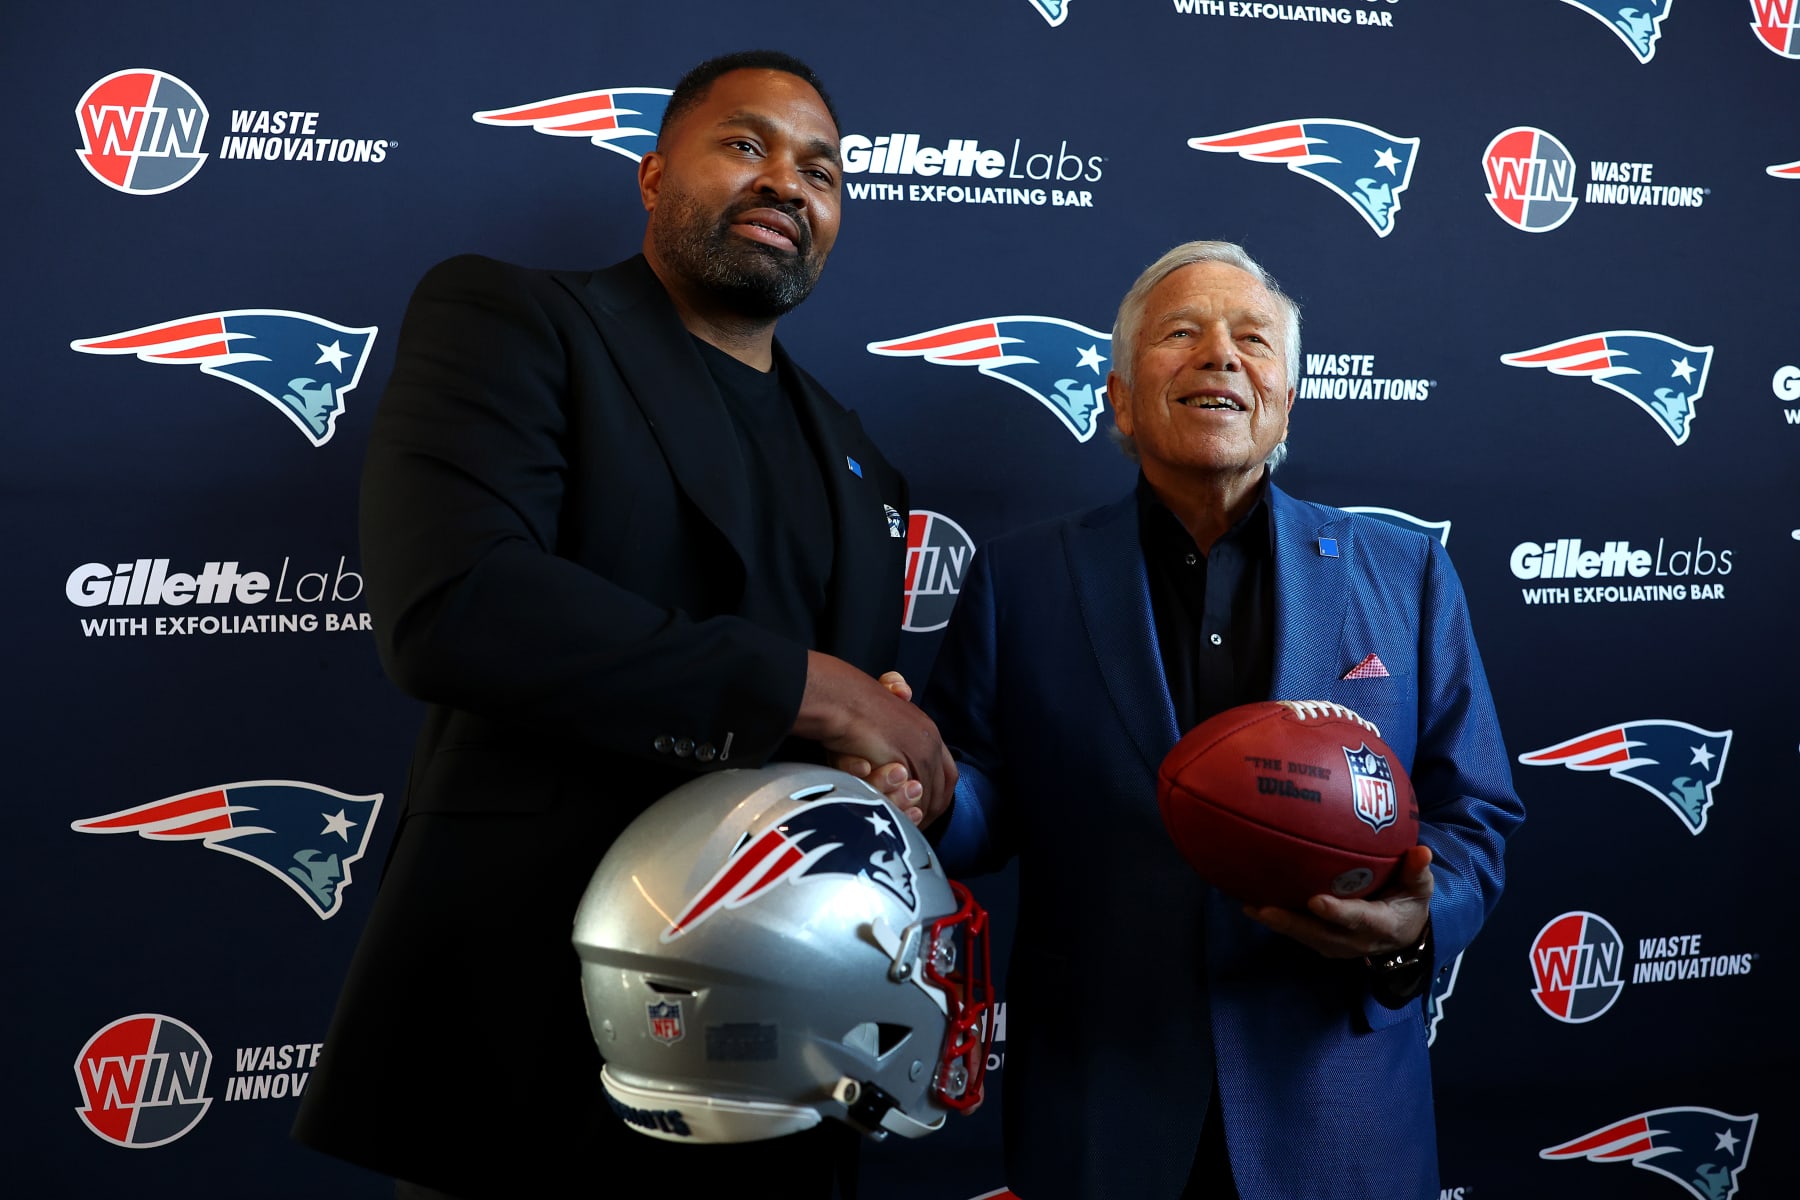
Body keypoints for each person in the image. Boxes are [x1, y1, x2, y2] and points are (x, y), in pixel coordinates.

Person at [292, 49, 954, 1200]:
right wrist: (811, 688)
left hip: (786, 1059)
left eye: (824, 172)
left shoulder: (863, 461)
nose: (788, 185)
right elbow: (455, 603)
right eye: (746, 145)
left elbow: (833, 737)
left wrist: (867, 766)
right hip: (535, 1026)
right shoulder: (513, 320)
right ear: (652, 176)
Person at [902, 241, 1525, 1198]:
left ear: (1285, 398)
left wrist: (1410, 926)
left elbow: (1474, 816)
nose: (1221, 356)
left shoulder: (1407, 576)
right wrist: (930, 793)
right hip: (1103, 1097)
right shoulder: (1021, 580)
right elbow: (987, 800)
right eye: (1181, 333)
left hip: (1336, 1105)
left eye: (1254, 340)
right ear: (1116, 394)